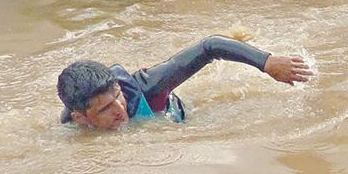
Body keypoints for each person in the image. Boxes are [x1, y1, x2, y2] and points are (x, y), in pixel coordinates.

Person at [57, 36, 313, 130]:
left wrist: (266, 62)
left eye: (118, 97)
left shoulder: (149, 87)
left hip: (172, 114)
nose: (120, 109)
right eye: (105, 109)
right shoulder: (72, 119)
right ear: (82, 118)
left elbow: (209, 47)